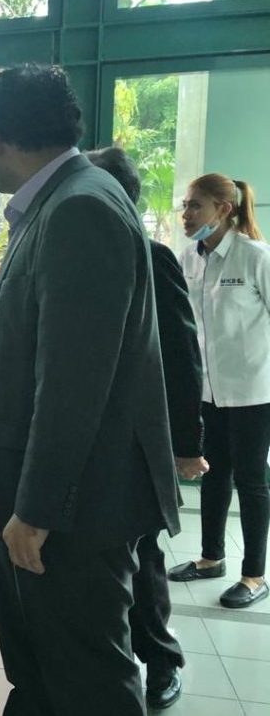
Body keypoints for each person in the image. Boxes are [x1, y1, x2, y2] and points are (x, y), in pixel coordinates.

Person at [0, 65, 180, 716]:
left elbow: (74, 381)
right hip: (51, 504)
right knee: (43, 676)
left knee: (88, 683)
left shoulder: (80, 207)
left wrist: (36, 510)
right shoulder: (60, 200)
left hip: (68, 514)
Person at [87, 146, 207, 710]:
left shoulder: (151, 256)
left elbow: (181, 354)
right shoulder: (79, 254)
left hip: (134, 438)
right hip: (86, 433)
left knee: (141, 553)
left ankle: (160, 659)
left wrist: (187, 444)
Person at [168, 174, 270, 609]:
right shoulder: (187, 259)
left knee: (252, 481)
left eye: (196, 206)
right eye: (185, 206)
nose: (186, 215)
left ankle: (254, 575)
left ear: (224, 209)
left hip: (253, 393)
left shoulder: (255, 257)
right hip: (206, 393)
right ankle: (211, 558)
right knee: (212, 474)